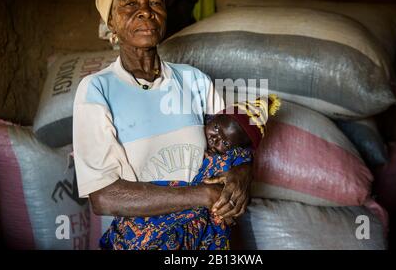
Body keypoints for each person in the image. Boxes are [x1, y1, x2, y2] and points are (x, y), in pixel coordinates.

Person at [72, 0, 253, 249]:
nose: (145, 11)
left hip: (211, 237)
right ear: (110, 23)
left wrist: (243, 174)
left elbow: (235, 147)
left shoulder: (194, 80)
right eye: (130, 4)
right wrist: (201, 196)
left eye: (155, 2)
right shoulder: (97, 89)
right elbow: (104, 196)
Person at [99, 95, 281, 250]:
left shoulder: (232, 159)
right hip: (160, 199)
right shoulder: (193, 121)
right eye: (217, 129)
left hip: (196, 215)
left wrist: (244, 169)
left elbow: (244, 157)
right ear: (213, 118)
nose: (216, 139)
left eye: (225, 143)